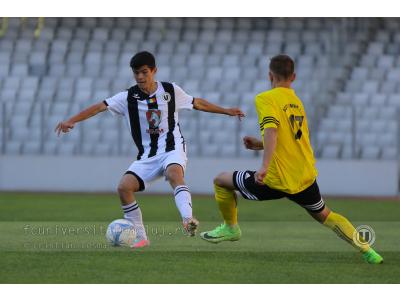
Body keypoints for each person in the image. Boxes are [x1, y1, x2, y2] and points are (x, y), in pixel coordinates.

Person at [200, 54, 383, 264]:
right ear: (293, 77)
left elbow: (271, 131)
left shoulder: (265, 98)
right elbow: (291, 139)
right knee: (325, 214)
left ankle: (231, 228)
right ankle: (369, 252)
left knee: (221, 180)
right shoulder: (296, 102)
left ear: (270, 75)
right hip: (304, 176)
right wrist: (259, 145)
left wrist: (264, 166)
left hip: (276, 177)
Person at [55, 51, 245, 248]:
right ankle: (141, 237)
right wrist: (71, 121)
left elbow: (197, 103)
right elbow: (99, 107)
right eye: (136, 73)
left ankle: (188, 219)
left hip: (172, 148)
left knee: (174, 174)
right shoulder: (127, 97)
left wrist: (227, 111)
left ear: (154, 71)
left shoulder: (171, 91)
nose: (140, 77)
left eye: (144, 72)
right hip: (147, 156)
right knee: (124, 187)